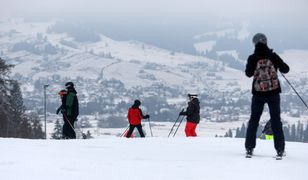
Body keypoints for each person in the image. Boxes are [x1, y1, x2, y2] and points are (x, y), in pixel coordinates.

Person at [245, 33, 289, 158]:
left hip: (258, 94)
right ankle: (280, 150)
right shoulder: (273, 56)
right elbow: (286, 69)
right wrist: (277, 67)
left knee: (254, 120)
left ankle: (249, 148)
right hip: (273, 94)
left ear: (254, 43)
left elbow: (248, 74)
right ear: (266, 41)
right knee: (276, 121)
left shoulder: (252, 58)